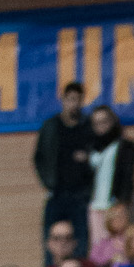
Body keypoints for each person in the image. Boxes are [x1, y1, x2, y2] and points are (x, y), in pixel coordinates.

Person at [33, 82, 93, 248]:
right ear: (63, 100)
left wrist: (87, 159)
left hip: (81, 195)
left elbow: (97, 156)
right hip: (57, 193)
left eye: (78, 100)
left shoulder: (88, 126)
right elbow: (39, 158)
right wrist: (48, 182)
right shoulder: (51, 126)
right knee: (52, 242)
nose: (74, 104)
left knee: (80, 241)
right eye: (71, 99)